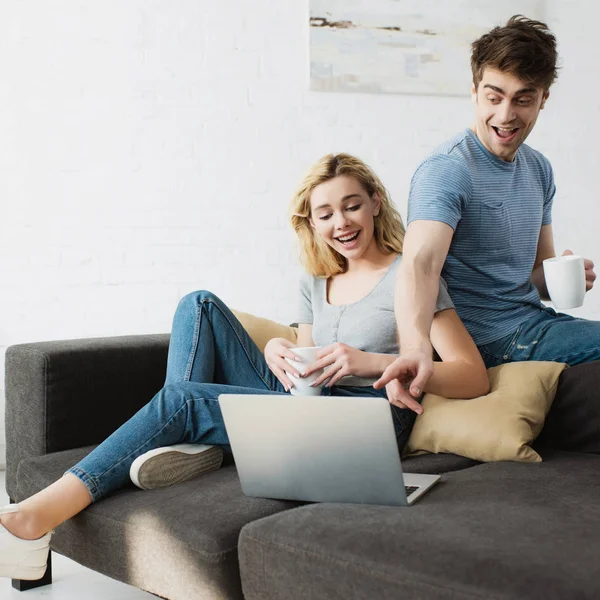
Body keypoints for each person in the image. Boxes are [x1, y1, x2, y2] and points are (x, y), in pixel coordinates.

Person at [0, 153, 488, 580]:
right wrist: (281, 349)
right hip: (312, 409)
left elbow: (472, 375)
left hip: (368, 418)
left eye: (351, 204)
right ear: (312, 223)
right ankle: (188, 443)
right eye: (325, 213)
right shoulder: (315, 282)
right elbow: (308, 372)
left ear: (376, 201)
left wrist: (374, 361)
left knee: (184, 399)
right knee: (200, 304)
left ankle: (35, 518)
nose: (341, 221)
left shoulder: (411, 275)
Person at [375, 15, 598, 411]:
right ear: (475, 91)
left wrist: (564, 276)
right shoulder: (448, 169)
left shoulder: (539, 169)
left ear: (543, 98)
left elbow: (535, 278)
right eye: (494, 97)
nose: (506, 115)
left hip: (532, 323)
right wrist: (414, 349)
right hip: (489, 338)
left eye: (523, 99)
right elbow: (418, 267)